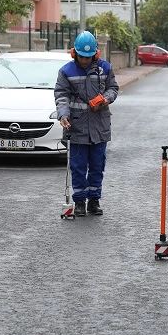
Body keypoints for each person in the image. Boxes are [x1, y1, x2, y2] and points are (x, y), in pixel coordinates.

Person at [55, 31, 119, 217]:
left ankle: (94, 200)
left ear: (96, 54)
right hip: (76, 127)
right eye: (82, 56)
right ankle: (80, 201)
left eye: (88, 57)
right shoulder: (66, 71)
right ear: (75, 53)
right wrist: (63, 115)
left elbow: (113, 88)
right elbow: (61, 96)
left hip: (99, 126)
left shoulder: (105, 68)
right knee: (78, 166)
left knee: (97, 165)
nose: (85, 60)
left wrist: (106, 99)